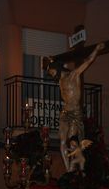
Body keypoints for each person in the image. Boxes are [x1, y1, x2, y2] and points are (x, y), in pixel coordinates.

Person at [45, 43, 105, 171]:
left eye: (52, 72)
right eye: (50, 73)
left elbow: (88, 61)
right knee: (61, 142)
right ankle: (68, 170)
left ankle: (73, 169)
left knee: (72, 142)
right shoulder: (60, 80)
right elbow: (56, 63)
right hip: (65, 112)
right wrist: (51, 60)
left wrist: (96, 50)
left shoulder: (73, 75)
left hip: (75, 112)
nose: (51, 75)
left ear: (57, 69)